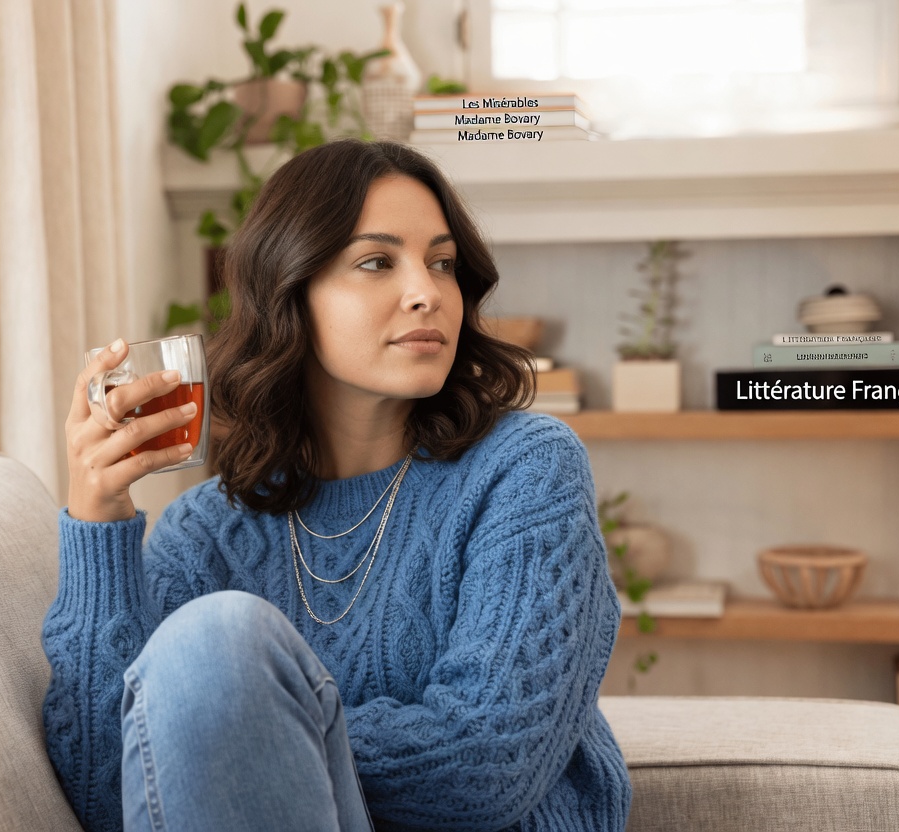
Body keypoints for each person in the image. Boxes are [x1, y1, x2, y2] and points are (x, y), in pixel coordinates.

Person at [44, 138, 632, 832]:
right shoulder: (205, 533)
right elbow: (109, 794)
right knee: (214, 642)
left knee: (217, 645)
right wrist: (98, 520)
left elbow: (486, 767)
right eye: (377, 262)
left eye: (442, 263)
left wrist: (252, 733)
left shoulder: (526, 469)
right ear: (291, 292)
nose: (427, 293)